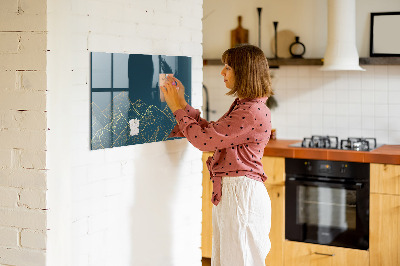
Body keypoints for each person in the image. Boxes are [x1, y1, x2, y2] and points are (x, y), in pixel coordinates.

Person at [161, 44, 273, 266]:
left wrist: (176, 108)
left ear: (244, 72)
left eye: (228, 67)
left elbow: (204, 141)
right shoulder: (246, 106)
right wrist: (182, 104)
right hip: (236, 193)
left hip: (241, 195)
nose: (222, 72)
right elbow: (212, 133)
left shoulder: (250, 111)